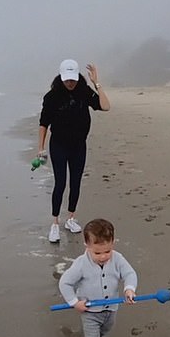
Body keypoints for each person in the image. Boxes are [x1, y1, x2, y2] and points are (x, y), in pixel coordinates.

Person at [58, 218, 138, 337]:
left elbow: (129, 274)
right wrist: (74, 302)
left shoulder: (117, 259)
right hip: (89, 311)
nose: (103, 257)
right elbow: (65, 283)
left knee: (106, 329)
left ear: (113, 243)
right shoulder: (81, 264)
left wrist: (129, 289)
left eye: (107, 251)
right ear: (87, 245)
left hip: (111, 309)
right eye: (97, 253)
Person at [38, 59, 110, 242]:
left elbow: (105, 106)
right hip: (59, 145)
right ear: (61, 77)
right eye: (67, 80)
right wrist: (41, 148)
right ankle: (55, 223)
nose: (70, 83)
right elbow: (44, 123)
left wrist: (96, 83)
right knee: (60, 183)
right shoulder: (52, 96)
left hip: (78, 145)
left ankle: (71, 218)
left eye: (73, 79)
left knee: (76, 182)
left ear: (78, 76)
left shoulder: (84, 92)